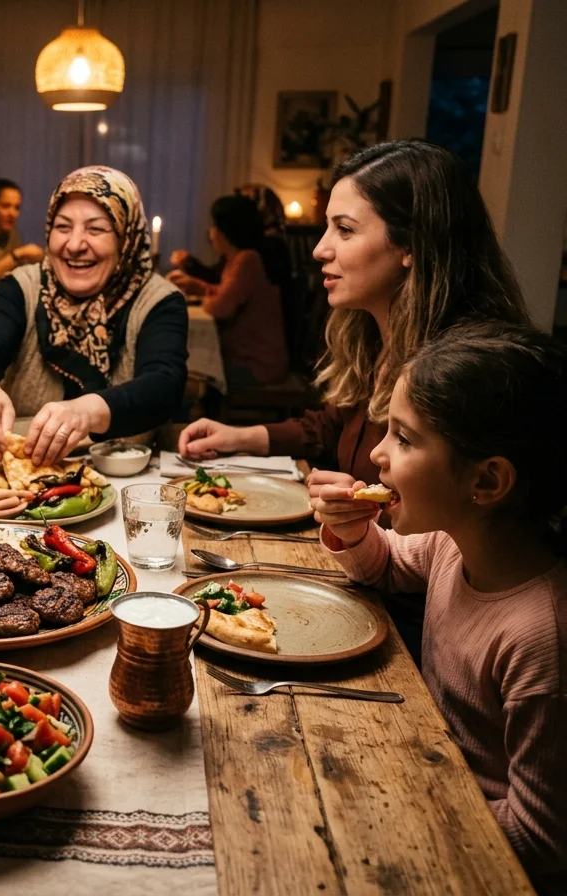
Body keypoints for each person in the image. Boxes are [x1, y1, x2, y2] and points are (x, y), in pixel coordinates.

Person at [314, 322, 567, 888]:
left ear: (487, 481)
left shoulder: (539, 637)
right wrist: (354, 532)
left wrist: (409, 802)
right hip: (423, 769)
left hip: (475, 858)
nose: (376, 453)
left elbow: (542, 835)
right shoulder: (454, 542)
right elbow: (388, 565)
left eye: (404, 439)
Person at [177, 140, 529, 492]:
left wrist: (366, 520)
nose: (319, 249)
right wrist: (238, 436)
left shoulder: (462, 373)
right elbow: (332, 426)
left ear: (410, 244)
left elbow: (455, 526)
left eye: (344, 229)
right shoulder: (372, 335)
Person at [0, 166, 189, 466]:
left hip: (124, 479)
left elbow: (164, 385)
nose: (74, 245)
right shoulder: (23, 286)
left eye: (96, 229)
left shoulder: (159, 300)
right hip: (22, 476)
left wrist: (86, 412)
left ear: (125, 238)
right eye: (63, 227)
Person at [167, 194, 289, 387]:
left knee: (185, 372)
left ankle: (197, 414)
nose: (210, 232)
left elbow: (221, 308)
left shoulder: (247, 260)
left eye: (214, 226)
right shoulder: (238, 259)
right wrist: (199, 288)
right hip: (248, 359)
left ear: (225, 231)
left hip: (257, 365)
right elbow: (227, 293)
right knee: (185, 366)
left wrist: (204, 298)